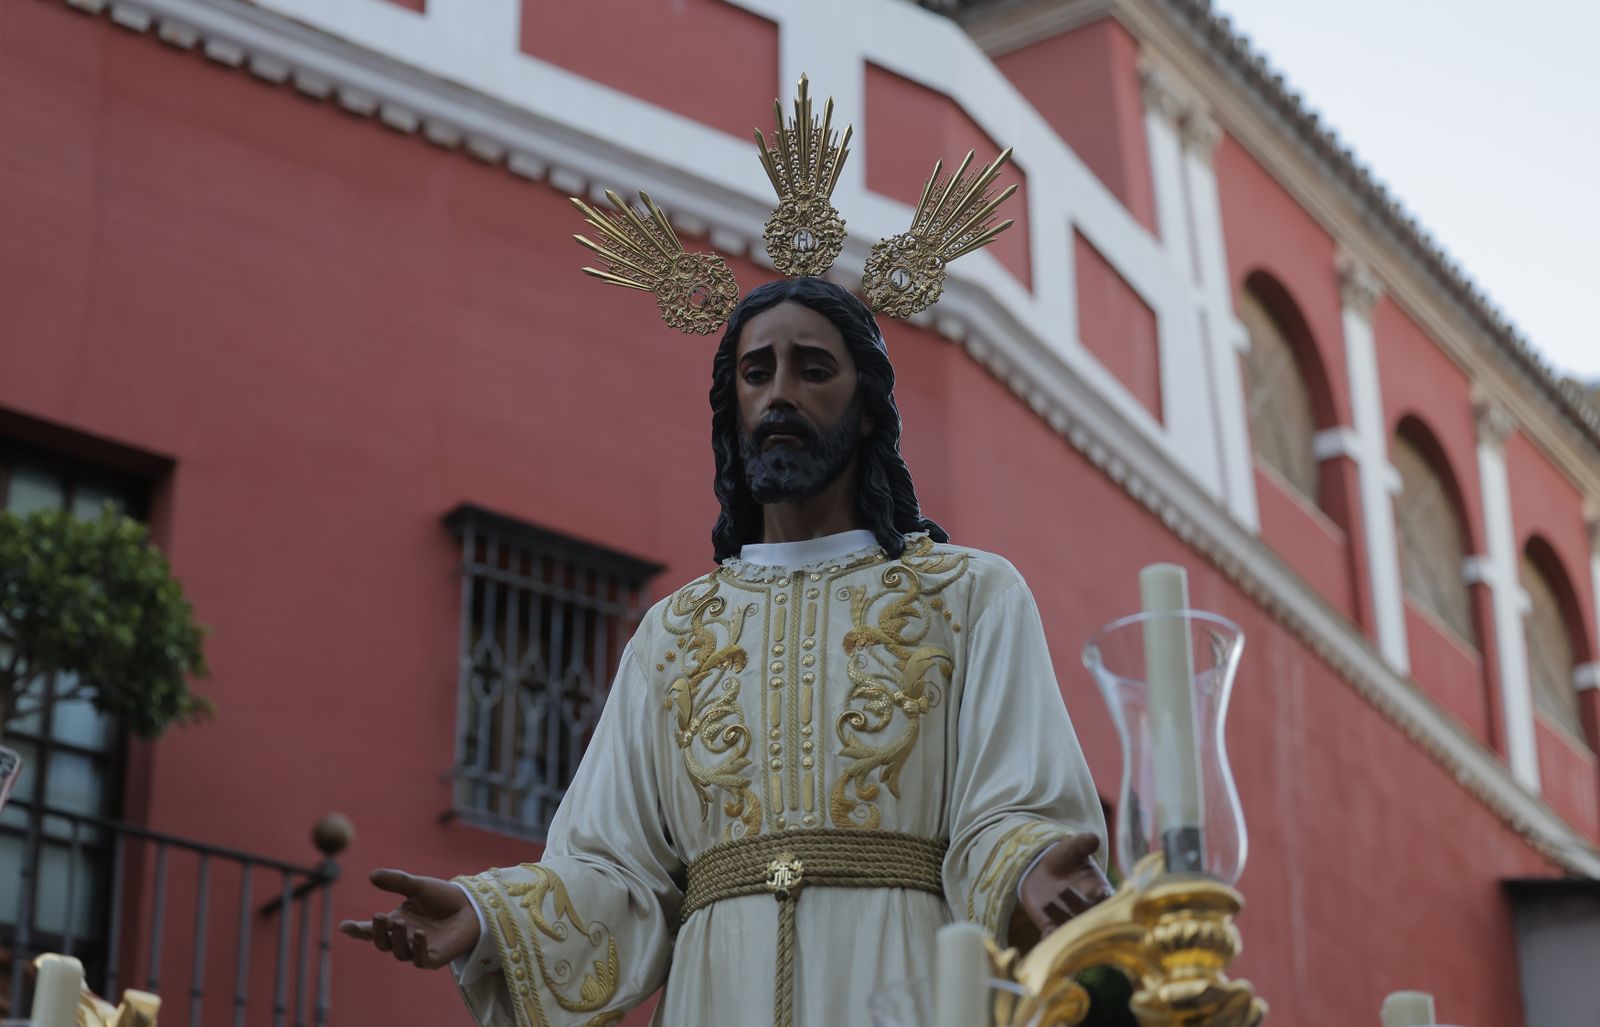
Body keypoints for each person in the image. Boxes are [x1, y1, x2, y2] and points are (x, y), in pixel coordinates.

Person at [344, 78, 1111, 1026]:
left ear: (866, 408)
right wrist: (490, 916)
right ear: (733, 407)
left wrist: (1033, 868)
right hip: (719, 989)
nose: (780, 392)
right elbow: (613, 867)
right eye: (757, 372)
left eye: (813, 369)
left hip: (903, 979)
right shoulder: (675, 632)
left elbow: (1011, 806)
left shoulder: (970, 595)